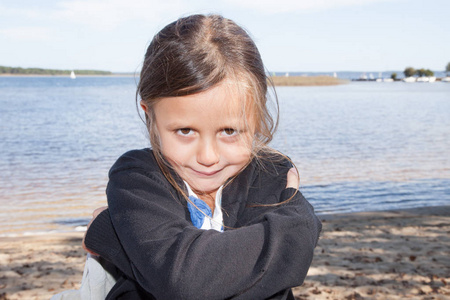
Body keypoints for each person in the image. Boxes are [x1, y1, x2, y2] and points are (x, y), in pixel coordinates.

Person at [69, 14, 321, 300]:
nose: (208, 156)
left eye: (229, 130)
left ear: (257, 117)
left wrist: (114, 236)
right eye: (185, 130)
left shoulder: (269, 173)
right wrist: (293, 234)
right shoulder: (137, 178)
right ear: (149, 115)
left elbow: (187, 280)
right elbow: (181, 280)